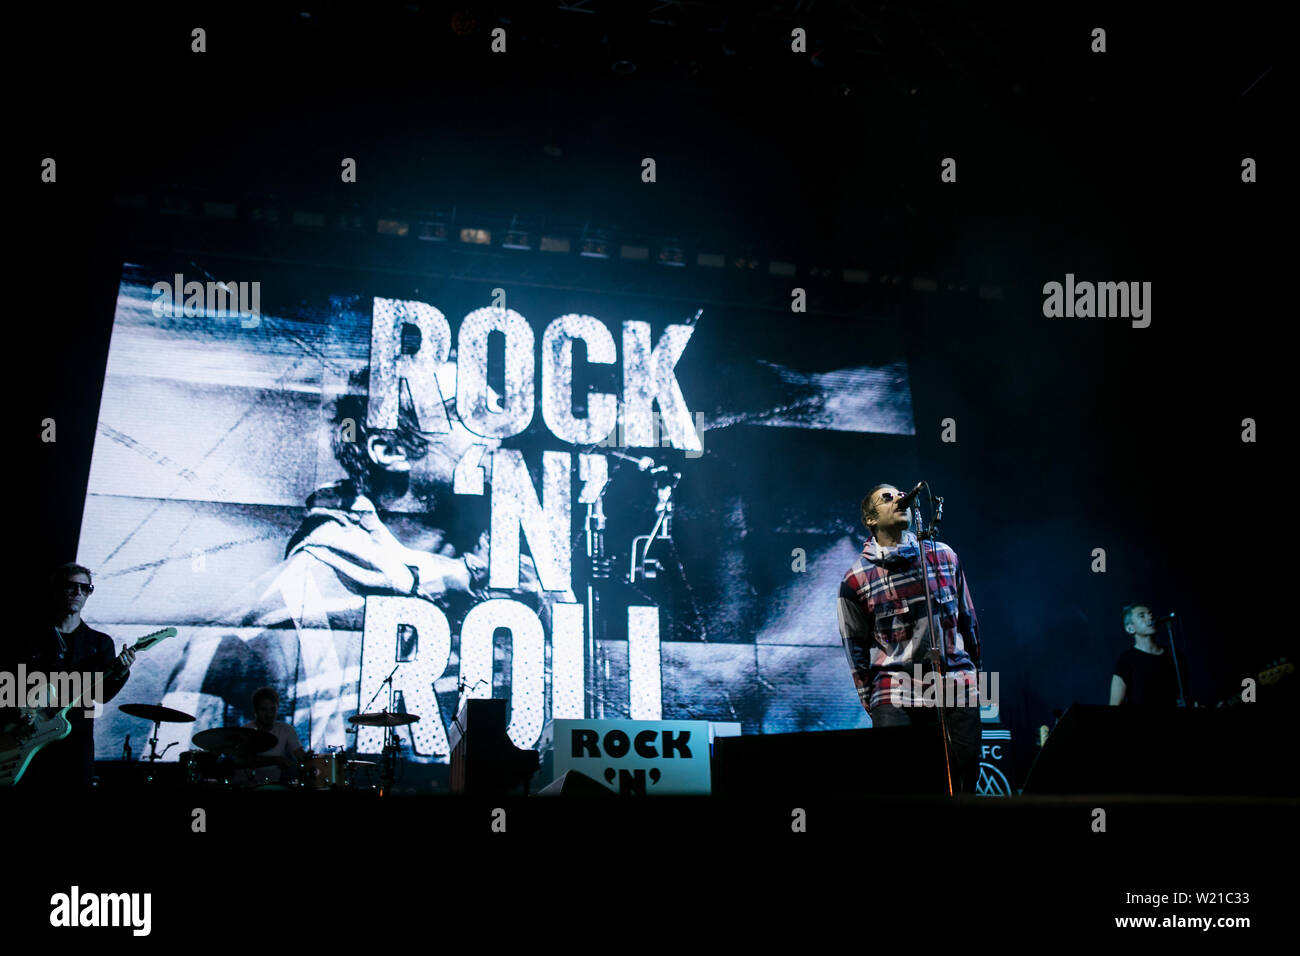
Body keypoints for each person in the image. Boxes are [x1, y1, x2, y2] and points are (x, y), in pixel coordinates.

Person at [837, 484, 983, 792]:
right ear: (870, 519)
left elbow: (968, 622)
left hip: (954, 683)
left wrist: (973, 676)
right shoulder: (855, 579)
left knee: (964, 776)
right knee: (900, 782)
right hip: (894, 689)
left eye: (901, 494)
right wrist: (873, 701)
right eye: (886, 498)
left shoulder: (944, 556)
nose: (899, 499)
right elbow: (856, 649)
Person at [3, 564, 135, 788]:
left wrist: (121, 672)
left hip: (75, 744)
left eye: (85, 588)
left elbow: (101, 696)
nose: (78, 593)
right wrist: (17, 709)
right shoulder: (27, 637)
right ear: (56, 589)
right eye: (71, 587)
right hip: (28, 736)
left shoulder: (99, 643)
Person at [1110, 604, 1186, 706]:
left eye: (1150, 614)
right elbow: (1115, 703)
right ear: (1130, 629)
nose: (1150, 617)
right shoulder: (1125, 661)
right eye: (1142, 616)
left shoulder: (1173, 654)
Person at [240, 686, 307, 786]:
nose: (269, 714)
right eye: (264, 710)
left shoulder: (286, 729)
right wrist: (276, 760)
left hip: (274, 785)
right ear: (255, 710)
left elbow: (300, 755)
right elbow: (245, 761)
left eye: (273, 709)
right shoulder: (245, 731)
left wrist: (308, 758)